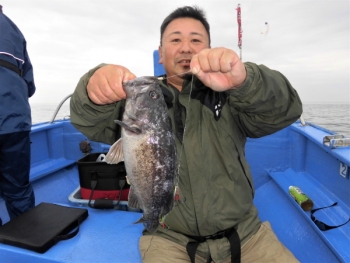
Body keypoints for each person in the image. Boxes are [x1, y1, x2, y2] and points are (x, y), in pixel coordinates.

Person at [70, 6, 302, 263]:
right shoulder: (135, 104)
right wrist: (93, 88)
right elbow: (88, 121)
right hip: (168, 237)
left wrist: (245, 81)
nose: (185, 47)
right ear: (160, 54)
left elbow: (285, 110)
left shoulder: (233, 95)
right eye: (175, 39)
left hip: (246, 234)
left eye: (196, 40)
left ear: (209, 50)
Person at [0, 5, 36, 226]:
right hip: (15, 120)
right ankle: (26, 238)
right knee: (18, 188)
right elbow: (29, 84)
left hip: (14, 118)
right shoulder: (14, 29)